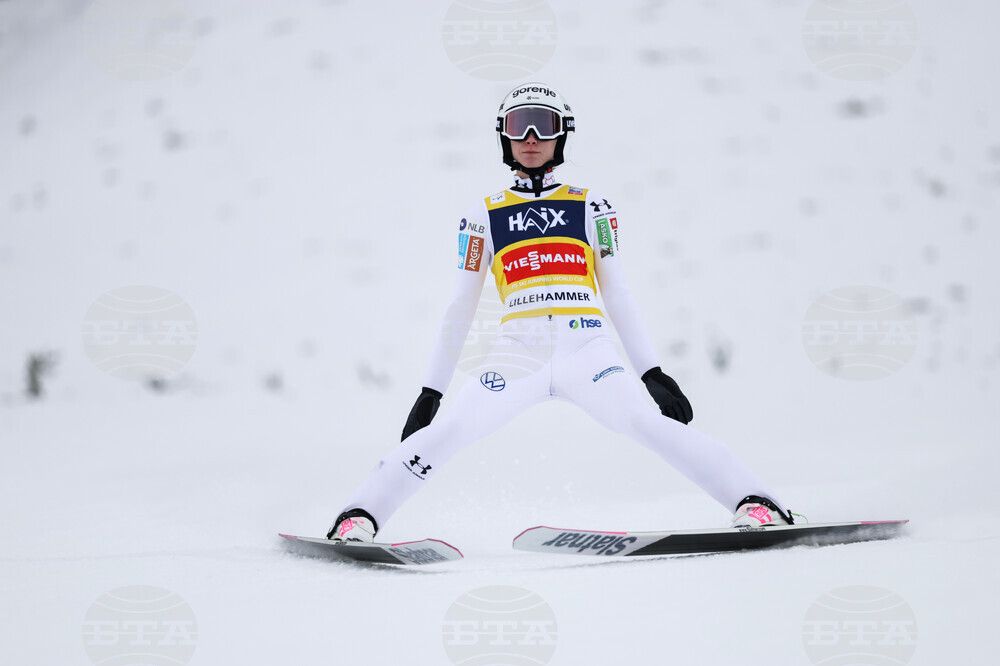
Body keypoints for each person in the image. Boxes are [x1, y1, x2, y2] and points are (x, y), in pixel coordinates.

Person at [327, 82, 792, 543]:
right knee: (453, 428)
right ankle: (358, 517)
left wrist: (651, 371)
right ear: (503, 136)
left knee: (645, 423)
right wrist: (431, 391)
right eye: (518, 126)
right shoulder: (481, 217)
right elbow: (460, 306)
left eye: (543, 125)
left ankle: (756, 502)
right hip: (517, 354)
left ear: (561, 134)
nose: (530, 137)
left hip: (587, 348)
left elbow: (617, 292)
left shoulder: (593, 206)